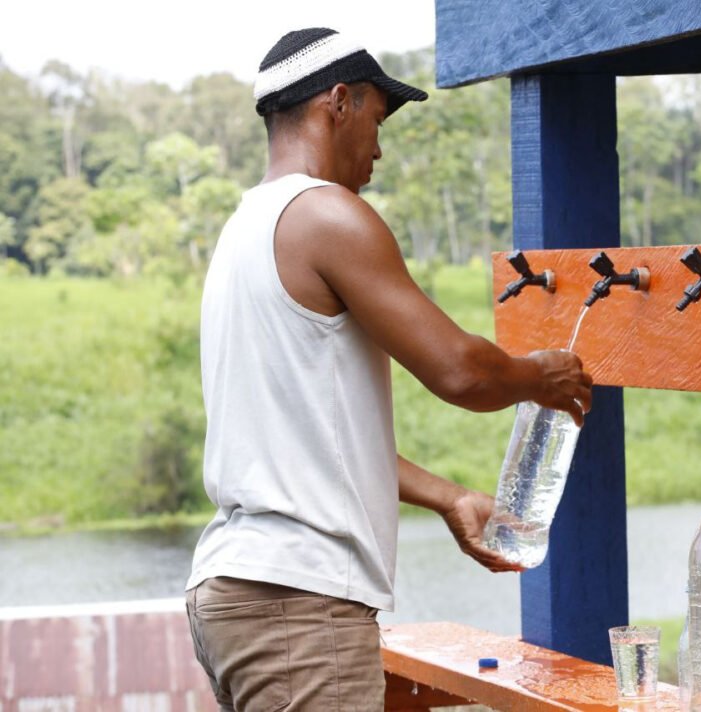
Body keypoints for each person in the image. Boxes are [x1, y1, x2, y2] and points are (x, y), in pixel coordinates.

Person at [184, 27, 593, 711]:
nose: (378, 147)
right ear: (337, 103)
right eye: (376, 120)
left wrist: (448, 497)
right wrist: (538, 377)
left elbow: (318, 440)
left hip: (238, 594)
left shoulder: (242, 233)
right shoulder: (326, 215)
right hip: (302, 606)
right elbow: (462, 372)